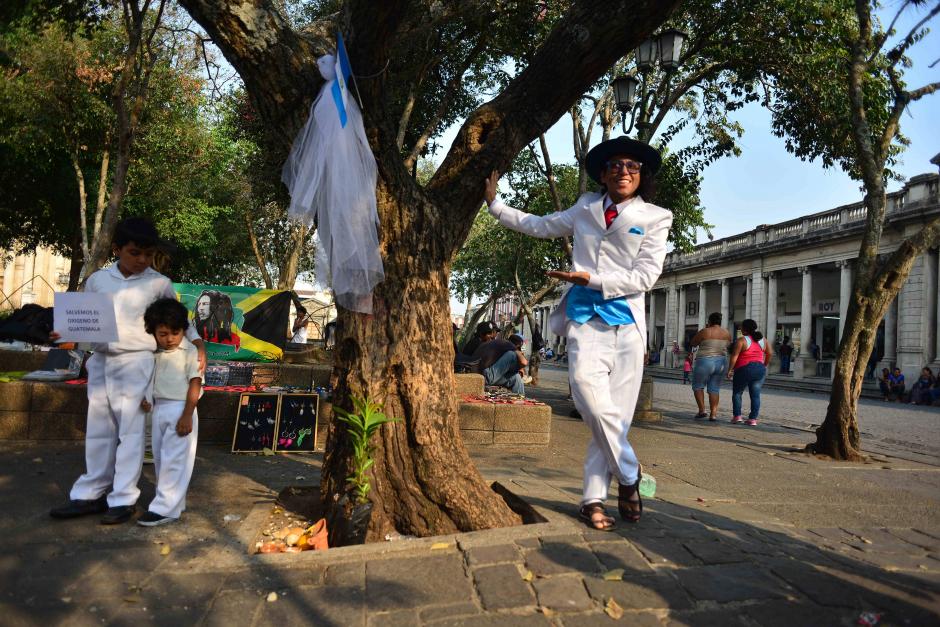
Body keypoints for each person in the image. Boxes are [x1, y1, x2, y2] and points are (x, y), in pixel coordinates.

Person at [484, 135, 672, 530]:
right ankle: (630, 474)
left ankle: (592, 500)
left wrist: (591, 277)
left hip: (627, 326)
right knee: (588, 400)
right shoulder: (585, 207)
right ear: (603, 174)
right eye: (615, 166)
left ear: (641, 176)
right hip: (585, 322)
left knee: (615, 418)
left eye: (632, 167)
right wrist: (496, 206)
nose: (624, 172)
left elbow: (645, 277)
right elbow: (541, 225)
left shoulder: (656, 217)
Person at [49, 218, 206, 525]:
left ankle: (122, 498)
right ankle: (90, 493)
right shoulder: (97, 280)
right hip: (101, 360)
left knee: (131, 433)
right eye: (135, 253)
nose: (142, 260)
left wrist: (198, 344)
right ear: (117, 249)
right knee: (98, 430)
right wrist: (63, 331)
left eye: (148, 254)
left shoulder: (158, 283)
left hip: (138, 362)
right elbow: (83, 319)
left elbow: (176, 319)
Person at [137, 298, 202, 526]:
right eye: (163, 334)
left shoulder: (189, 351)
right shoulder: (155, 353)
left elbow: (195, 383)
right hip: (159, 410)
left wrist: (186, 414)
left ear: (184, 330)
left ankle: (164, 508)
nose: (170, 339)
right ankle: (173, 502)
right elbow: (152, 380)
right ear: (153, 332)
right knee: (161, 459)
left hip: (181, 409)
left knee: (175, 460)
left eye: (175, 332)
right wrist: (148, 400)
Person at [727, 318, 772, 426]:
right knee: (755, 395)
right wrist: (764, 365)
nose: (740, 328)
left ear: (745, 329)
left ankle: (737, 416)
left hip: (744, 369)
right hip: (759, 369)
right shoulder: (763, 340)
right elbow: (770, 353)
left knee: (737, 393)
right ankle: (753, 419)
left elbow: (734, 356)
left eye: (741, 326)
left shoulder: (742, 340)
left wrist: (730, 369)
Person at [690, 312, 731, 421]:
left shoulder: (705, 331)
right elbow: (729, 345)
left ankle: (702, 410)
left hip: (705, 361)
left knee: (698, 386)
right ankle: (713, 414)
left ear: (710, 321)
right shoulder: (726, 333)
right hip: (721, 362)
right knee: (714, 388)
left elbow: (693, 343)